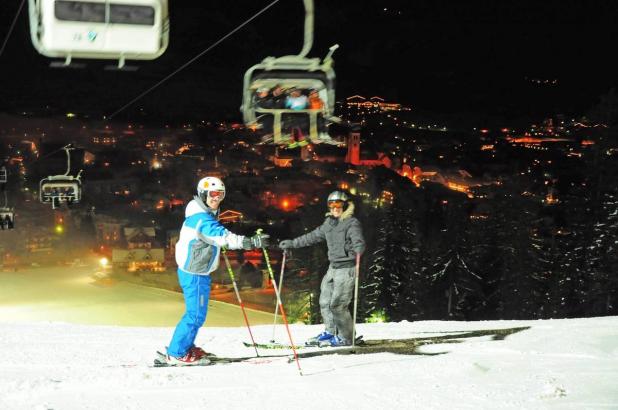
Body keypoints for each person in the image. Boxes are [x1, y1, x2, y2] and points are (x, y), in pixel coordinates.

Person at [166, 176, 269, 366]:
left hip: (197, 271)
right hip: (194, 273)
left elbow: (214, 237)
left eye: (220, 194)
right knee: (195, 315)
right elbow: (223, 236)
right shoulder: (201, 219)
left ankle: (185, 346)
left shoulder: (203, 214)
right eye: (213, 194)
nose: (217, 198)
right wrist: (250, 242)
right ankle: (177, 352)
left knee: (197, 313)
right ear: (203, 194)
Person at [278, 191, 365, 347]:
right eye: (331, 204)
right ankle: (331, 332)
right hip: (333, 268)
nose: (335, 208)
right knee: (324, 302)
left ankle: (347, 337)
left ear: (345, 205)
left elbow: (358, 240)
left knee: (338, 305)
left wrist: (358, 248)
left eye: (338, 204)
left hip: (347, 269)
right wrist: (292, 243)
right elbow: (311, 237)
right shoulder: (328, 224)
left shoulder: (352, 223)